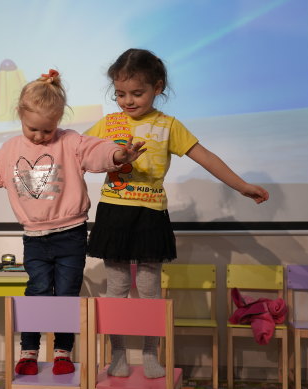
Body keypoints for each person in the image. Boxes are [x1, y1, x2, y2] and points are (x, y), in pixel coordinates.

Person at [0, 69, 146, 376]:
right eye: (32, 129)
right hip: (35, 239)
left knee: (66, 294)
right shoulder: (10, 150)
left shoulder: (70, 142)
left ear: (59, 122)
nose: (39, 136)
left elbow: (97, 150)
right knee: (37, 291)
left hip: (71, 235)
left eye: (47, 131)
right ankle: (29, 352)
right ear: (19, 116)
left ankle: (63, 352)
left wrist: (119, 155)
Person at [85, 48, 270, 379]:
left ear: (157, 87)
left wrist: (241, 186)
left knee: (149, 288)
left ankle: (149, 353)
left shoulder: (168, 125)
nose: (127, 101)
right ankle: (117, 355)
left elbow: (207, 157)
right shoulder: (108, 123)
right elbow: (77, 153)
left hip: (150, 217)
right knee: (116, 288)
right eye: (120, 94)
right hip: (114, 212)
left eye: (137, 93)